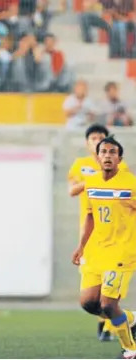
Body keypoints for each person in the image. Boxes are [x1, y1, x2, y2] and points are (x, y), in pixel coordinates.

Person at [72, 136, 136, 359]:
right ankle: (130, 318)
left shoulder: (131, 184)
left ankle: (130, 349)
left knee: (108, 304)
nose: (108, 156)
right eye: (104, 152)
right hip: (97, 251)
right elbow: (90, 216)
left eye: (112, 152)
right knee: (89, 303)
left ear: (120, 158)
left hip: (122, 252)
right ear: (97, 157)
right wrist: (81, 246)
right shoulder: (92, 183)